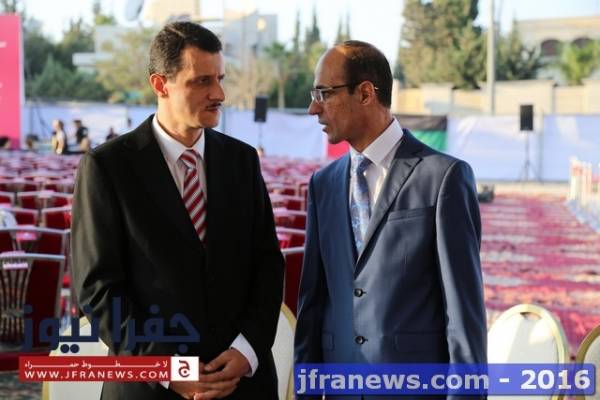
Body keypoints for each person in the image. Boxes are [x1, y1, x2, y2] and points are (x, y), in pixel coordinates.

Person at [72, 22, 284, 400]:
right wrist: (166, 368)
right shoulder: (108, 167)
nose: (219, 93)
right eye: (202, 81)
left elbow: (268, 263)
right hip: (150, 389)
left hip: (242, 384)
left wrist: (247, 350)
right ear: (160, 84)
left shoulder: (241, 160)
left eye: (219, 79)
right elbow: (98, 288)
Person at [294, 41, 486, 398]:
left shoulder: (443, 178)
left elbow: (463, 314)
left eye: (324, 93)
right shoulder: (323, 184)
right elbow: (313, 306)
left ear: (365, 93)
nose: (313, 108)